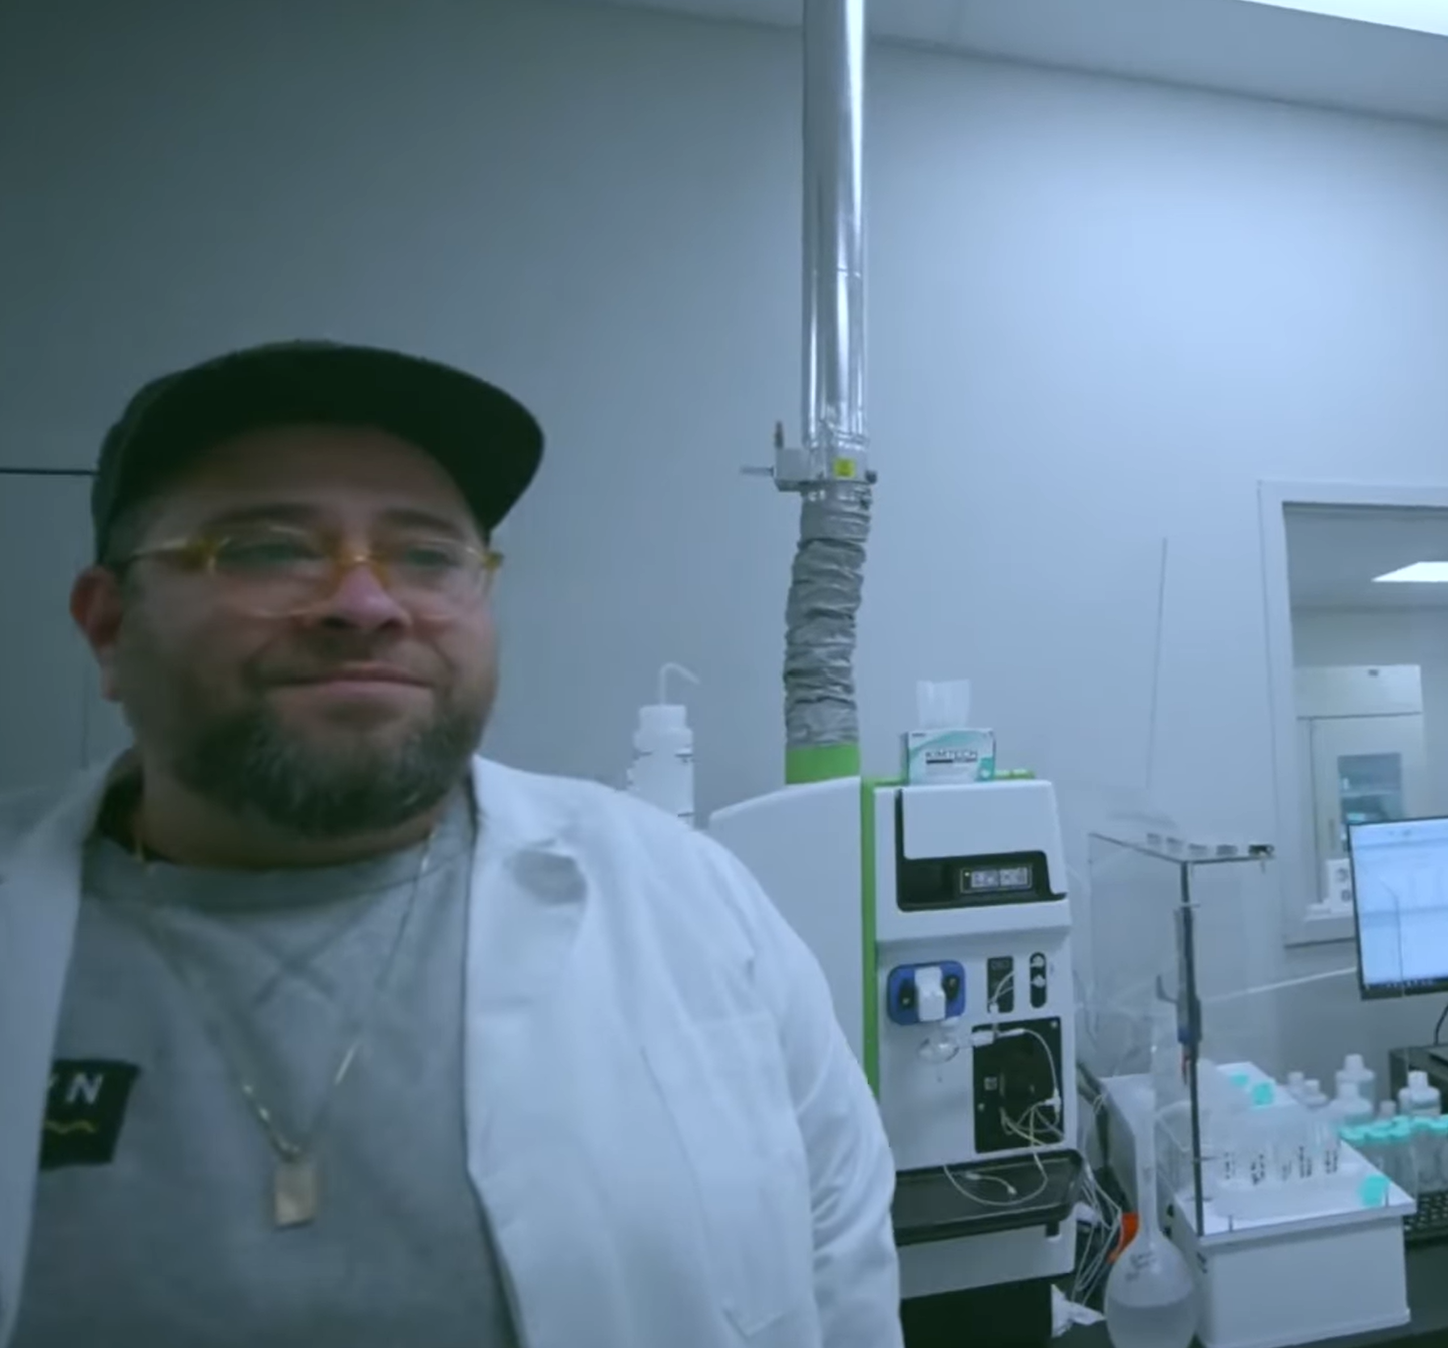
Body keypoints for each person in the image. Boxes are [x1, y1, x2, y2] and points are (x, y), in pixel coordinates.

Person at [0, 341, 903, 1348]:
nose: (364, 602)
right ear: (109, 626)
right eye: (263, 547)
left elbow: (843, 1254)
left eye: (427, 555)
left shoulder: (685, 896)